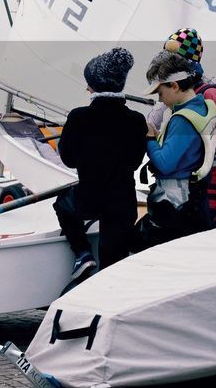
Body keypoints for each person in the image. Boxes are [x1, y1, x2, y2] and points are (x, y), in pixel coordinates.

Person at [53, 48, 148, 278]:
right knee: (112, 267)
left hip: (89, 199)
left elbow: (67, 158)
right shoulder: (136, 121)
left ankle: (83, 253)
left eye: (88, 83)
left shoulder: (78, 117)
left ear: (94, 86)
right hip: (122, 202)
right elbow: (135, 161)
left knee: (62, 204)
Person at [160, 28, 216, 227]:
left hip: (215, 176)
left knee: (207, 237)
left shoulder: (210, 93)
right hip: (190, 178)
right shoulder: (176, 92)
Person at [142, 51, 216, 243]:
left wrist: (150, 139)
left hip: (176, 206)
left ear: (175, 86)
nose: (160, 100)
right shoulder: (203, 106)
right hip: (195, 201)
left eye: (160, 93)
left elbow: (165, 164)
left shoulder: (182, 119)